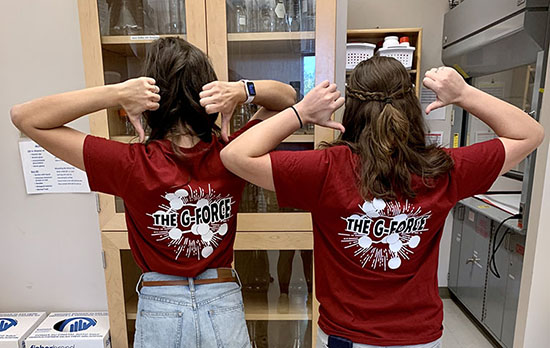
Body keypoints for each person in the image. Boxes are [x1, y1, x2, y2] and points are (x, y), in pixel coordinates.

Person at [215, 56, 544, 347]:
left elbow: (234, 155)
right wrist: (463, 94)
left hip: (347, 335)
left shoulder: (326, 168)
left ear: (352, 107)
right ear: (411, 107)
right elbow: (530, 133)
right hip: (421, 337)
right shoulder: (444, 168)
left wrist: (302, 112)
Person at [10, 37, 296, 348]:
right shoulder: (233, 153)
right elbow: (288, 100)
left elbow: (25, 117)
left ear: (151, 100)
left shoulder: (129, 163)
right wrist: (243, 91)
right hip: (221, 299)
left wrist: (117, 93)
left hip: (161, 303)